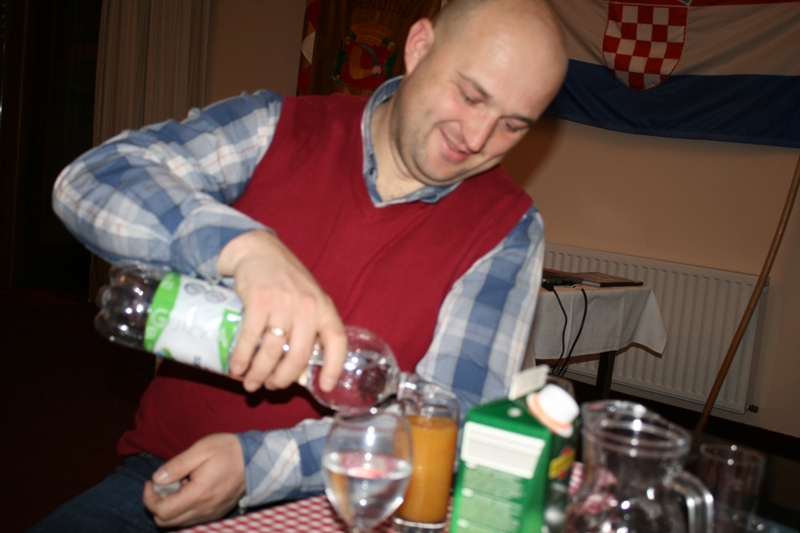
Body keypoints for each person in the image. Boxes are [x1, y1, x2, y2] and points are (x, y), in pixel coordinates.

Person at [32, 0, 567, 530]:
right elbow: (92, 180)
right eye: (470, 96)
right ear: (419, 46)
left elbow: (453, 417)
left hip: (348, 499)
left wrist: (257, 466)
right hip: (169, 474)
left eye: (511, 125)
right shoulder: (275, 127)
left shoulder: (508, 227)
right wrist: (245, 248)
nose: (476, 139)